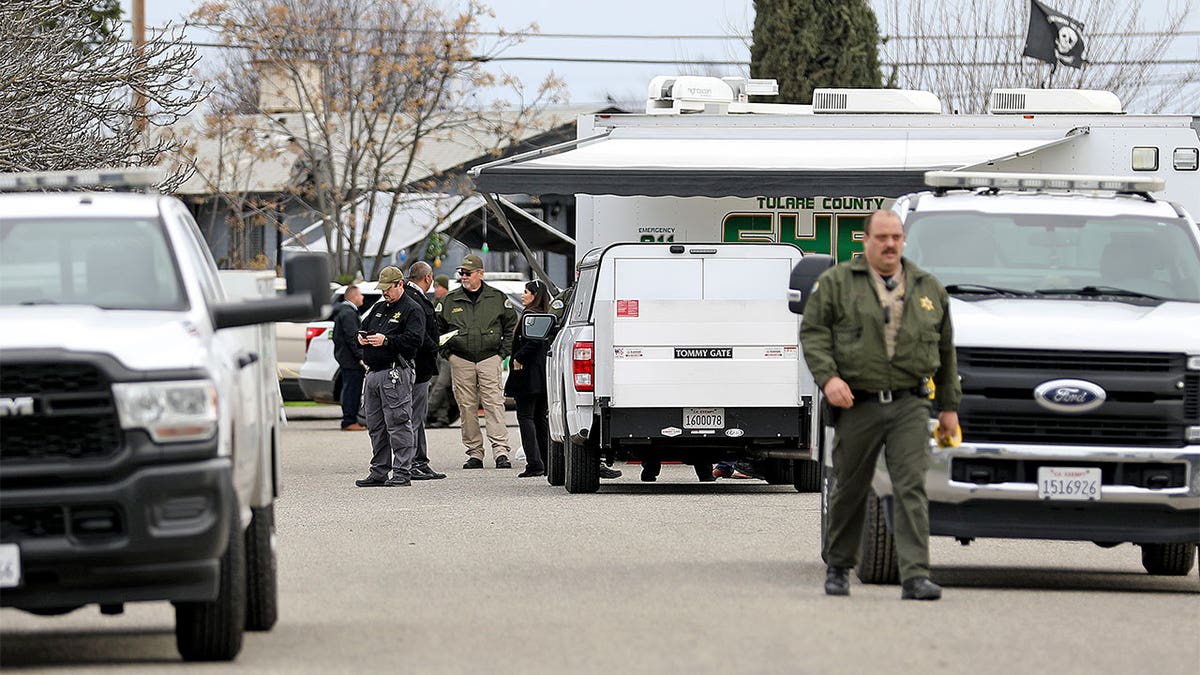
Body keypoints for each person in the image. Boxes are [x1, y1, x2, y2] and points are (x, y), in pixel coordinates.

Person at [799, 209, 960, 601]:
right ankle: (838, 567)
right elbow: (814, 333)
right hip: (859, 403)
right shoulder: (837, 284)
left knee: (911, 488)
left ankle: (916, 576)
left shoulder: (927, 288)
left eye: (896, 237)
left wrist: (950, 407)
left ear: (903, 241)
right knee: (851, 487)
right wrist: (829, 379)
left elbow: (945, 350)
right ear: (866, 240)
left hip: (910, 403)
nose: (890, 244)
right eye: (882, 237)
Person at [436, 254, 518, 469]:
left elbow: (511, 326)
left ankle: (500, 451)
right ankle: (474, 453)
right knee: (466, 407)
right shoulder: (449, 301)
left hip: (490, 358)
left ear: (480, 274)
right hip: (460, 359)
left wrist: (503, 353)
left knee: (494, 404)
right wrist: (448, 354)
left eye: (468, 273)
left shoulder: (497, 298)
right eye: (461, 273)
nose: (463, 276)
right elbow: (437, 330)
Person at [355, 266, 426, 488]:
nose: (385, 292)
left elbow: (415, 340)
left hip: (395, 372)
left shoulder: (412, 310)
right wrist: (361, 338)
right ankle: (379, 471)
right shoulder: (379, 308)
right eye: (382, 289)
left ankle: (403, 471)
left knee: (398, 422)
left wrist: (387, 341)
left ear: (400, 284)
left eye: (388, 288)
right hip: (374, 373)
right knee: (375, 425)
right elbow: (363, 327)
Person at [507, 279, 553, 478]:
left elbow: (533, 341)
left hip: (528, 376)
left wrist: (519, 356)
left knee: (526, 417)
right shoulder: (546, 315)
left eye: (526, 292)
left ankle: (534, 463)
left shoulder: (531, 316)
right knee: (539, 419)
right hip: (542, 376)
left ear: (535, 295)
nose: (522, 295)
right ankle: (547, 460)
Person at [405, 261, 446, 480]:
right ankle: (412, 462)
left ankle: (420, 460)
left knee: (417, 416)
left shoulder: (411, 297)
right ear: (428, 278)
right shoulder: (414, 300)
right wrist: (436, 345)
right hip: (417, 367)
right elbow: (419, 335)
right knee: (414, 416)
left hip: (419, 366)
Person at [331, 284, 366, 431]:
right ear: (354, 297)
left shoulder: (344, 312)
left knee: (350, 388)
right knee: (352, 390)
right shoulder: (349, 314)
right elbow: (352, 337)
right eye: (360, 294)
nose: (363, 297)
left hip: (346, 358)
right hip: (351, 359)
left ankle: (351, 419)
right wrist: (360, 356)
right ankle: (349, 421)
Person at [426, 274, 456, 428]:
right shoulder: (433, 303)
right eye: (435, 287)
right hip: (435, 350)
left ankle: (426, 412)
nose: (435, 290)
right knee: (435, 383)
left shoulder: (451, 302)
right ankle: (442, 416)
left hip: (448, 351)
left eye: (438, 287)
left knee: (441, 384)